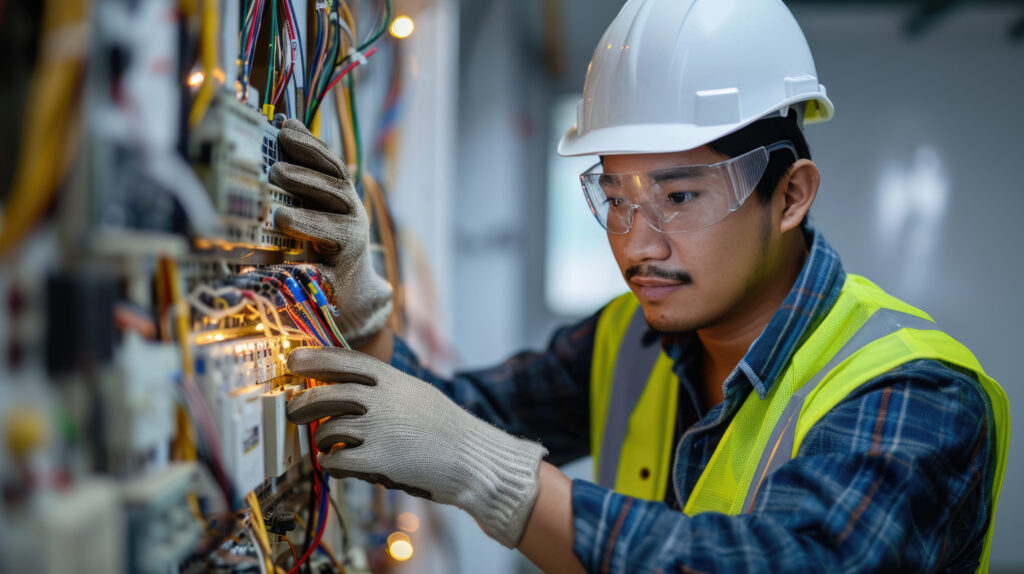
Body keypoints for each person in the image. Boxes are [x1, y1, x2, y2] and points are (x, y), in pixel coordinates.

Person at [271, 0, 1009, 571]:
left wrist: (494, 477)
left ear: (789, 196)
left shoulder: (914, 392)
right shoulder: (634, 333)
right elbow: (446, 421)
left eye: (680, 197)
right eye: (617, 199)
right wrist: (358, 298)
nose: (637, 244)